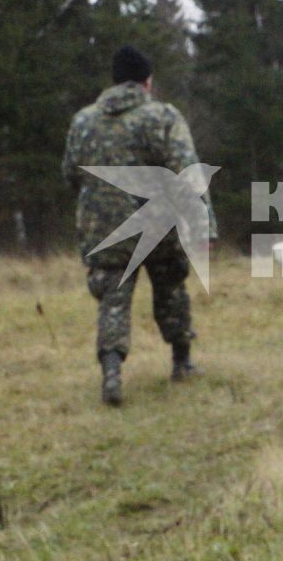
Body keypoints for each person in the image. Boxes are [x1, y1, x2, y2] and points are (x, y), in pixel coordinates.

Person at [63, 47, 217, 404]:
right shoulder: (162, 116)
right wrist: (203, 226)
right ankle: (182, 361)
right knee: (170, 289)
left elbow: (70, 174)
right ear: (147, 82)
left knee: (112, 301)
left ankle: (112, 374)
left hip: (103, 228)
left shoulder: (83, 121)